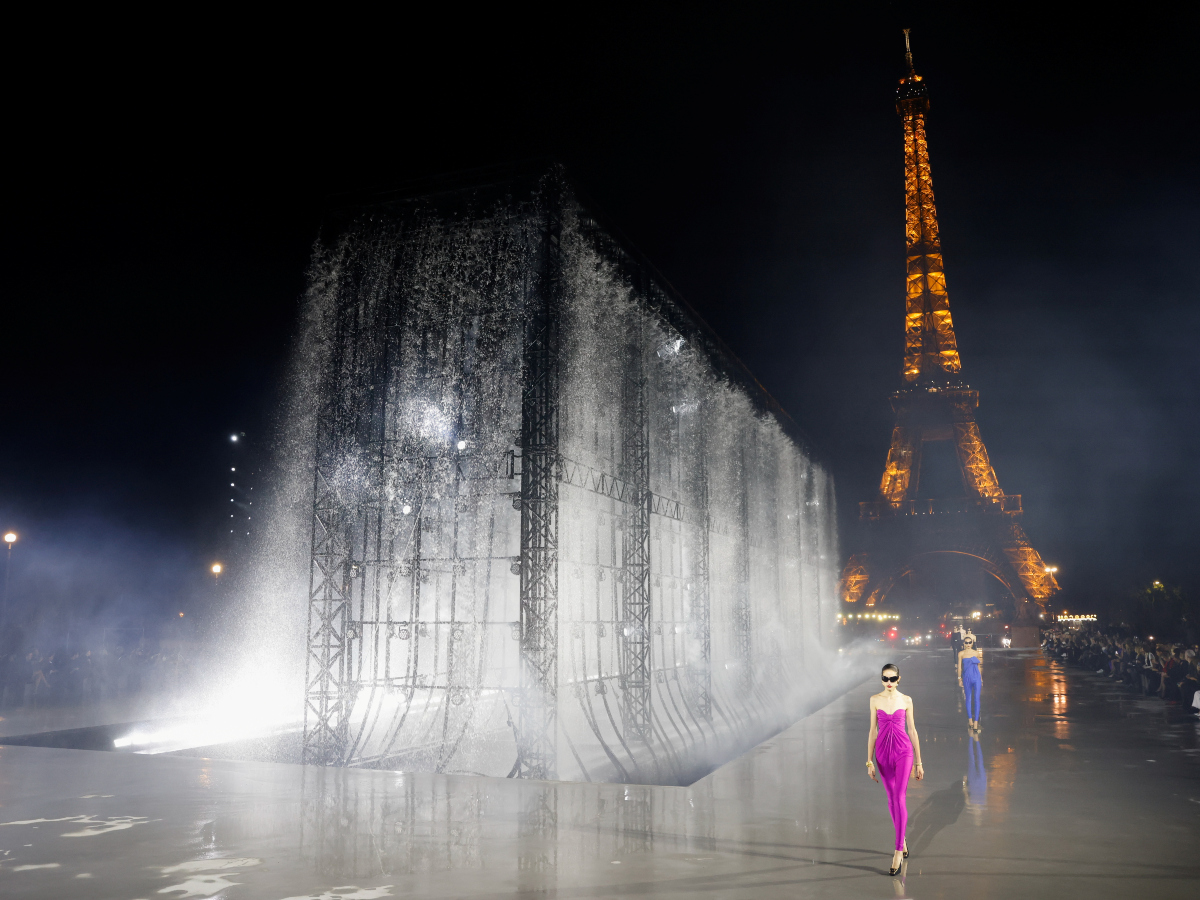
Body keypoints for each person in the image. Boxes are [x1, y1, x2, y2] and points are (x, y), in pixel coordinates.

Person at [866, 662, 924, 876]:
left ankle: (898, 851)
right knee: (891, 798)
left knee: (900, 797)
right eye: (885, 678)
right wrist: (869, 761)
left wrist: (919, 761)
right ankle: (903, 838)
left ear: (899, 679)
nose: (888, 682)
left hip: (903, 752)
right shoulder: (874, 700)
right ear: (881, 679)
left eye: (892, 679)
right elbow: (872, 731)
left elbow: (913, 730)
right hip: (882, 753)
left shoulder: (906, 700)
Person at [957, 633, 984, 731]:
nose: (968, 644)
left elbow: (979, 666)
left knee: (977, 699)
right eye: (966, 642)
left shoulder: (976, 653)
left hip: (976, 677)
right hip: (966, 678)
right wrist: (959, 678)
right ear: (964, 643)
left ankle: (976, 722)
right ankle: (970, 720)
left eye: (970, 642)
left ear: (972, 643)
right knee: (968, 699)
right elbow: (959, 667)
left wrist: (981, 678)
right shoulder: (961, 653)